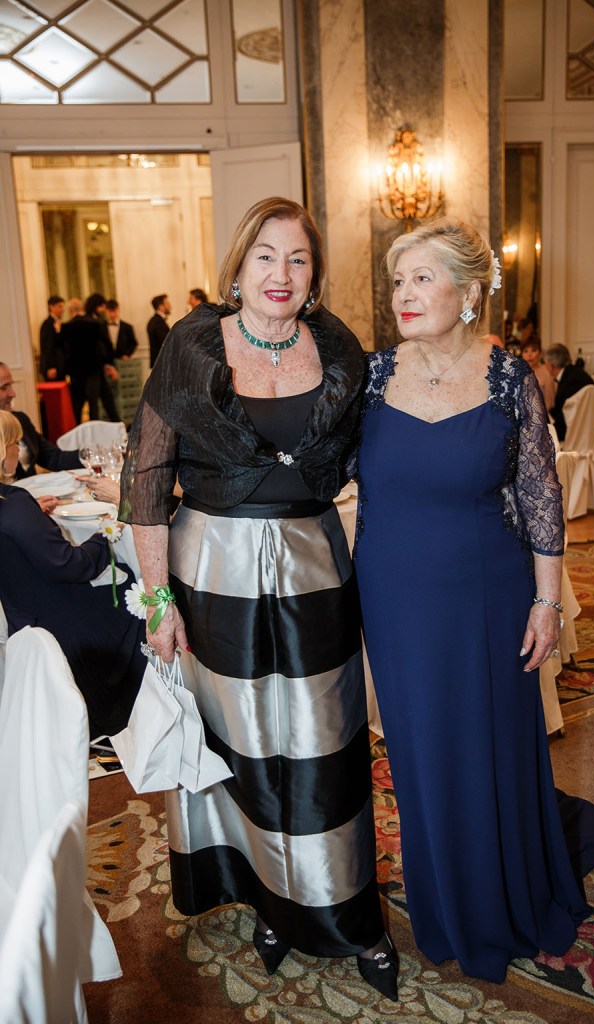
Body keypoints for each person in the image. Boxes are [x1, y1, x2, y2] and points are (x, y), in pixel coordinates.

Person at [119, 197, 397, 999]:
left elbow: (374, 456)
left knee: (325, 742)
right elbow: (146, 476)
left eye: (297, 259)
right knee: (241, 745)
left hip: (314, 563)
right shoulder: (191, 346)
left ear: (314, 275)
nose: (281, 273)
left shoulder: (337, 348)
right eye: (265, 256)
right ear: (237, 269)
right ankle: (271, 903)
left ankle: (351, 914)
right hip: (213, 566)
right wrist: (158, 601)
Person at [353, 220, 594, 984]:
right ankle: (447, 904)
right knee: (420, 755)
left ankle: (509, 894)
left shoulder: (508, 380)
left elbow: (539, 495)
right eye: (397, 280)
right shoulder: (370, 377)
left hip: (487, 593)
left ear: (469, 292)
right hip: (395, 601)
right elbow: (315, 469)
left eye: (421, 278)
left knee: (492, 747)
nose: (403, 294)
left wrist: (546, 603)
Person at [0, 411, 144, 738]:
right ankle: (132, 719)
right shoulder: (14, 504)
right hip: (62, 623)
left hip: (25, 618)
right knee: (136, 594)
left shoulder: (13, 504)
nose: (18, 451)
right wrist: (107, 532)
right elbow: (73, 565)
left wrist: (33, 516)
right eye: (14, 443)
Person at [0, 361, 81, 480]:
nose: (13, 393)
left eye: (11, 386)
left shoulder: (20, 419)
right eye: (3, 388)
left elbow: (54, 458)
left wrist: (91, 455)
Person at [62, 294, 120, 422]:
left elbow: (64, 352)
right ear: (82, 308)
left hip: (76, 373)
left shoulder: (66, 327)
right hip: (94, 370)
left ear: (70, 311)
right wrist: (108, 364)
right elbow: (106, 346)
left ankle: (79, 430)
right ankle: (112, 425)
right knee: (95, 403)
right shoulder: (95, 324)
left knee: (78, 405)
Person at [545, 342, 594, 441]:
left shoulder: (570, 381)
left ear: (550, 365)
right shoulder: (576, 373)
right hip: (591, 429)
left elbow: (563, 414)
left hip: (575, 433)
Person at [521, 336, 555, 412]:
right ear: (522, 355)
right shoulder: (517, 372)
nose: (529, 354)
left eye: (533, 350)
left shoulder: (546, 372)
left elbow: (549, 404)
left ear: (540, 354)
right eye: (525, 351)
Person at [39, 294, 66, 381]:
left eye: (63, 306)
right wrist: (51, 366)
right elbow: (47, 346)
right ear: (51, 307)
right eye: (60, 306)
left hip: (58, 366)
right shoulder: (48, 323)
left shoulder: (56, 322)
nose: (63, 309)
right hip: (53, 368)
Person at [147, 293, 171, 367]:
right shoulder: (158, 322)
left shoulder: (155, 320)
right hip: (162, 363)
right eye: (167, 303)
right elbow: (166, 342)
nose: (170, 306)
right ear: (161, 306)